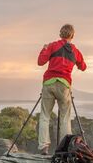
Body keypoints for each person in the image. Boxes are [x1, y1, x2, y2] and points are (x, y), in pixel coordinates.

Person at [37, 24, 86, 155]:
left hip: (49, 83)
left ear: (60, 34)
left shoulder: (52, 46)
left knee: (45, 116)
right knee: (65, 117)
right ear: (72, 36)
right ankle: (65, 148)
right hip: (64, 85)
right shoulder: (76, 51)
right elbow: (83, 67)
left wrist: (44, 49)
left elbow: (41, 62)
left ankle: (43, 146)